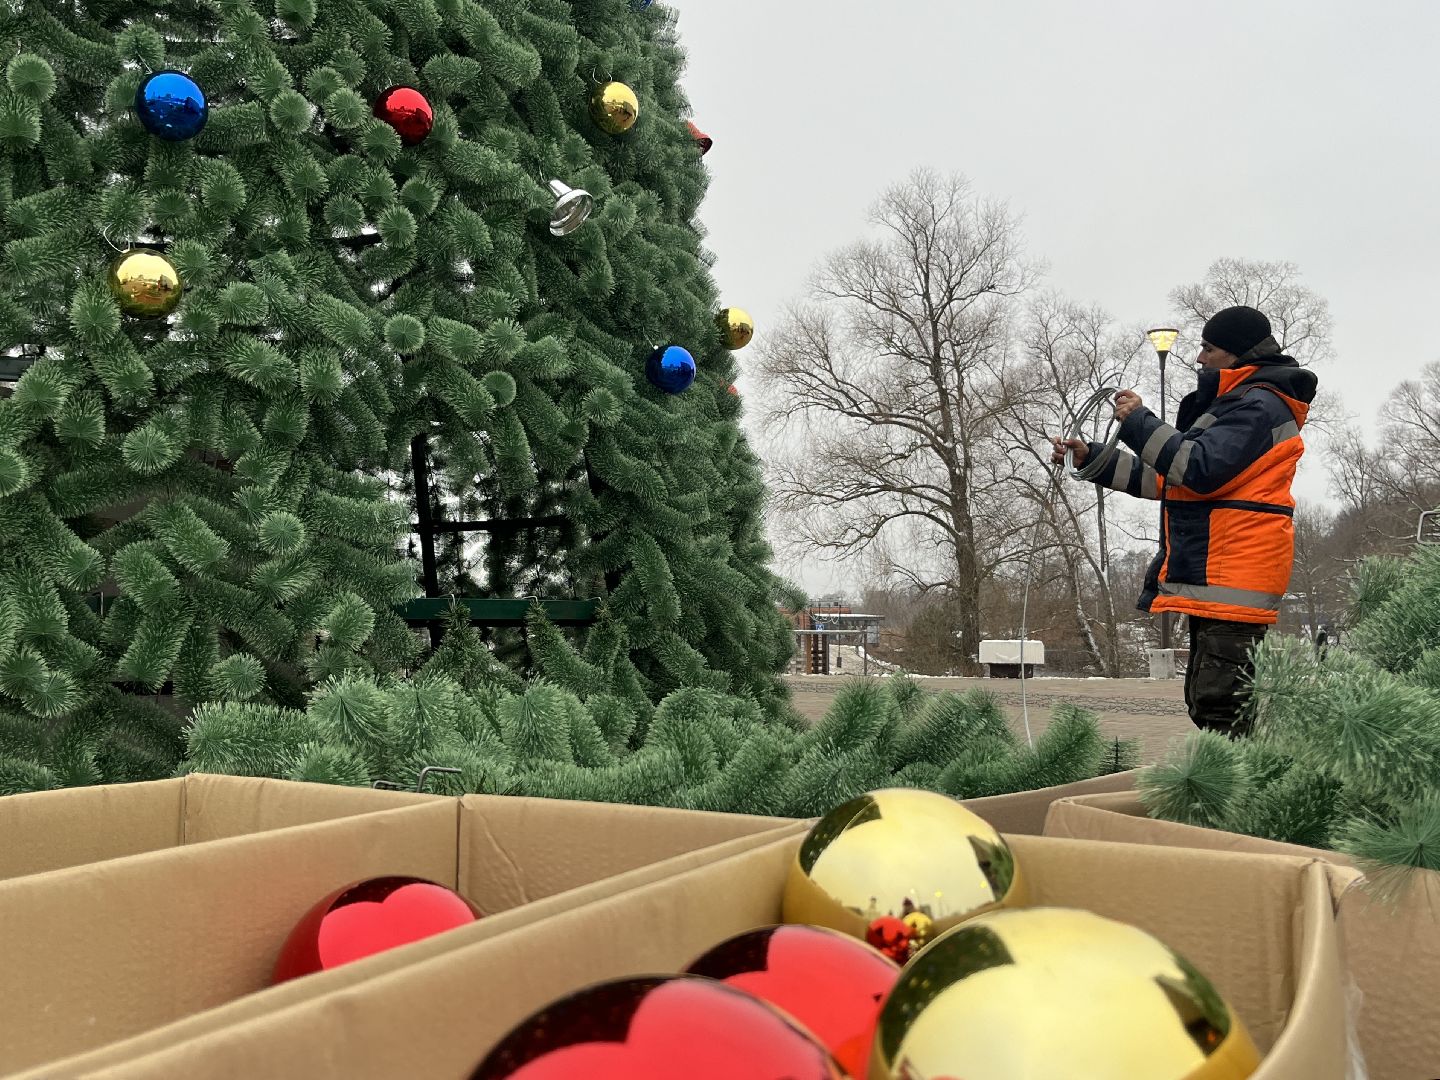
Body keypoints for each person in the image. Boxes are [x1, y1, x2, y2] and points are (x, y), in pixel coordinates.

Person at [1051, 305, 1317, 738]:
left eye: (1208, 348)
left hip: (1233, 578)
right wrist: (1093, 458)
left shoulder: (1259, 405)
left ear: (1236, 353)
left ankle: (1242, 780)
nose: (1199, 357)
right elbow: (1172, 479)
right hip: (1218, 578)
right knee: (1209, 702)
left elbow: (1196, 468)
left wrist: (1139, 423)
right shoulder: (1238, 403)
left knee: (1224, 711)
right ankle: (1231, 776)